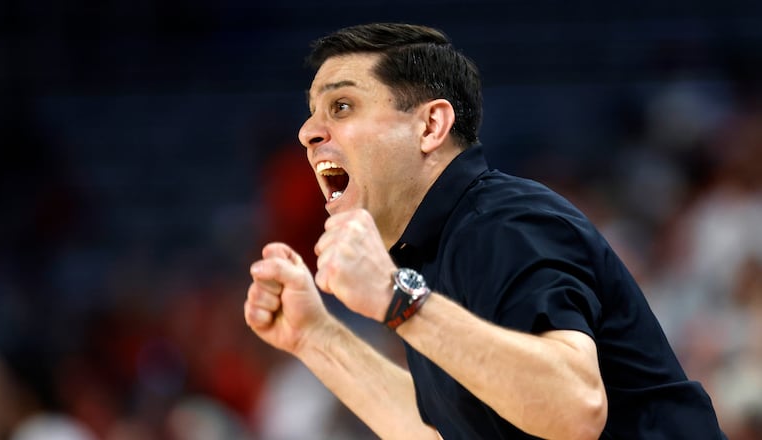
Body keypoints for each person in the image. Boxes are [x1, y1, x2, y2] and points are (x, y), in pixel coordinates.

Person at [243, 22, 726, 439]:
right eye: (313, 111)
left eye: (342, 106)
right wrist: (316, 336)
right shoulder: (428, 251)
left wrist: (398, 300)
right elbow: (442, 434)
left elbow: (576, 410)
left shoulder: (505, 220)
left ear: (431, 126)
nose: (308, 131)